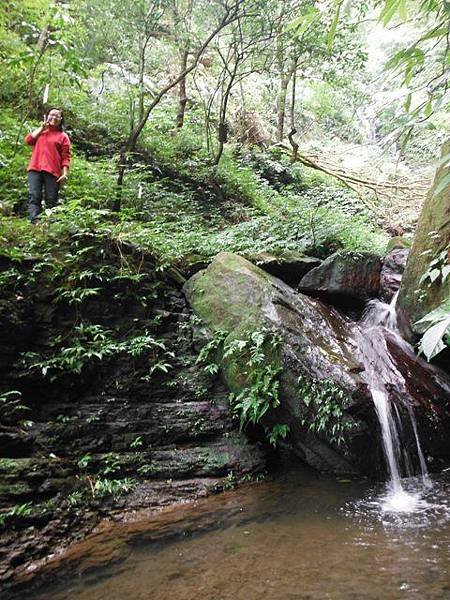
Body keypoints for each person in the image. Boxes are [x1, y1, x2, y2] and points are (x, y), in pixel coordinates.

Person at [25, 108, 71, 224]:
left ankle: (50, 224)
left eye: (57, 116)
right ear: (47, 116)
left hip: (52, 171)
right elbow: (29, 140)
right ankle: (34, 223)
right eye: (52, 115)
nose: (54, 118)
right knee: (34, 196)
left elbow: (65, 157)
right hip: (35, 168)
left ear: (61, 120)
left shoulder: (63, 136)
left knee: (51, 199)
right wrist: (41, 128)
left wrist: (65, 174)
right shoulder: (41, 132)